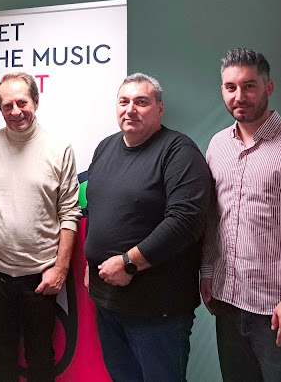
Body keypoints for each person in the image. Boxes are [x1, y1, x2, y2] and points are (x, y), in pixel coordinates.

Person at [84, 73, 212, 382]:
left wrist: (129, 263)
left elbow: (186, 221)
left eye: (141, 102)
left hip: (157, 311)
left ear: (159, 108)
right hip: (108, 303)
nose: (130, 109)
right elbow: (95, 209)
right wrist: (90, 262)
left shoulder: (178, 152)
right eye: (124, 101)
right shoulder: (105, 147)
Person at [0, 72, 82, 381]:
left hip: (41, 275)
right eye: (7, 105)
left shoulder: (58, 148)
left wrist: (60, 269)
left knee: (40, 358)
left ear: (36, 101)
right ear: (0, 108)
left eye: (22, 103)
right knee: (1, 357)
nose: (16, 111)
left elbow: (69, 213)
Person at [200, 48, 281, 381]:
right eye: (231, 87)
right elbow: (213, 217)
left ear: (268, 87)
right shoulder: (218, 145)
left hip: (278, 311)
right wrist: (208, 271)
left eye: (249, 86)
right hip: (227, 303)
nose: (239, 96)